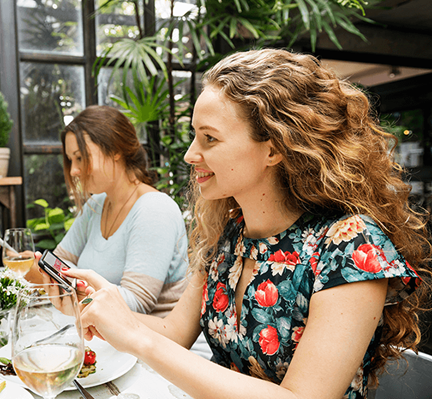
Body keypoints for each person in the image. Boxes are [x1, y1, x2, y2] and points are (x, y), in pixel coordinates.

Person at [57, 49, 431, 399]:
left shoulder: (351, 247)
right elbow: (173, 334)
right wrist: (112, 311)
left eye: (209, 138)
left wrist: (138, 339)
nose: (190, 154)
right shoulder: (229, 235)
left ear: (273, 147)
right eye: (194, 135)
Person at [28, 105, 189, 317]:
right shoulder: (97, 204)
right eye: (71, 160)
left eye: (80, 157)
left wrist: (77, 291)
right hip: (105, 335)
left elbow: (136, 303)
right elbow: (62, 262)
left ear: (115, 150)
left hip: (147, 341)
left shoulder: (154, 209)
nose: (74, 170)